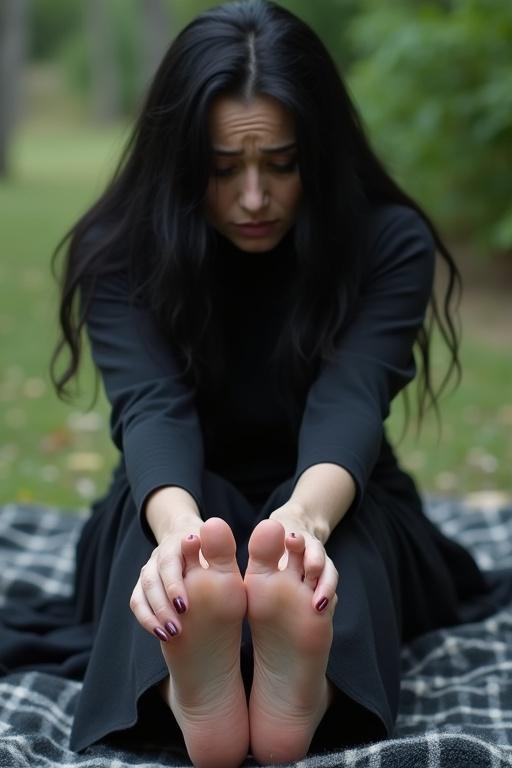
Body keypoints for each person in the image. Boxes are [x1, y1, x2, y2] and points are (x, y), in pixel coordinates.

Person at [0, 1, 507, 767]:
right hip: (171, 487)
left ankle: (301, 693)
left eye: (281, 162)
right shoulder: (120, 253)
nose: (253, 198)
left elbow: (353, 394)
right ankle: (192, 689)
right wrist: (178, 534)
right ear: (180, 161)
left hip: (340, 488)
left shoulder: (385, 243)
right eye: (224, 168)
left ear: (322, 154)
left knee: (335, 555)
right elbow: (153, 407)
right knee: (166, 559)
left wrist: (303, 523)